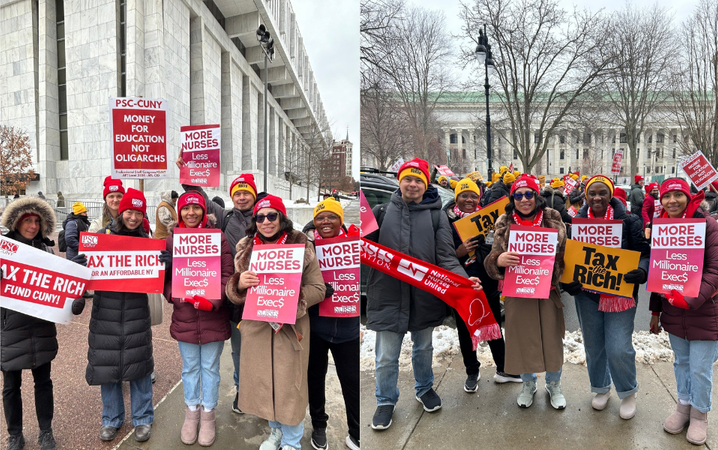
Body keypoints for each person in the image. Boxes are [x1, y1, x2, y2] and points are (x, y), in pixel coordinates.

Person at [364, 158, 481, 430]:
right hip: (388, 294)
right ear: (400, 181)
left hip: (424, 295)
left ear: (425, 183)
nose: (413, 184)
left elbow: (446, 257)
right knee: (386, 355)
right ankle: (385, 400)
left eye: (419, 180)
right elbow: (363, 250)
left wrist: (464, 281)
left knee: (423, 347)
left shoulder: (435, 215)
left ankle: (424, 388)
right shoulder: (380, 212)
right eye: (408, 179)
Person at [225, 195, 326, 450]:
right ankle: (276, 432)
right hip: (257, 330)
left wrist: (294, 299)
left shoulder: (301, 246)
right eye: (260, 217)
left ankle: (292, 441)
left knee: (289, 388)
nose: (266, 222)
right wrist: (238, 284)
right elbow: (232, 292)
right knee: (264, 384)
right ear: (254, 220)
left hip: (290, 330)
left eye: (272, 216)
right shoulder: (246, 248)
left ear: (282, 218)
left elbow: (318, 288)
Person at [561, 175, 649, 419]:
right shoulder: (576, 222)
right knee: (594, 346)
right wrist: (568, 282)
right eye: (592, 193)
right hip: (587, 296)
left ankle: (627, 391)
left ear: (610, 195)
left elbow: (644, 252)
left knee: (619, 347)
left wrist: (641, 270)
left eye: (602, 192)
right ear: (585, 196)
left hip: (620, 295)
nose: (597, 197)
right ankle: (600, 388)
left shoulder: (628, 220)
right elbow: (568, 257)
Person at [1, 197, 86, 450]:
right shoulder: (3, 250)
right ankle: (15, 434)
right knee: (10, 386)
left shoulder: (47, 251)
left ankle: (45, 431)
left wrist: (75, 297)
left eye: (37, 221)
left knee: (43, 382)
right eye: (28, 220)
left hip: (41, 328)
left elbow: (59, 291)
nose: (33, 226)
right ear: (17, 222)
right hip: (10, 328)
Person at [485, 174, 568, 410]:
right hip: (518, 292)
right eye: (518, 195)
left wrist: (554, 265)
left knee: (551, 340)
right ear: (513, 198)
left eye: (529, 194)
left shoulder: (552, 219)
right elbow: (492, 257)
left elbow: (565, 254)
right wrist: (498, 259)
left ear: (536, 196)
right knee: (523, 340)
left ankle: (554, 384)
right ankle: (528, 384)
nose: (524, 199)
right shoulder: (504, 222)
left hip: (547, 290)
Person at [86, 188, 158, 443]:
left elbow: (157, 275)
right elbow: (79, 266)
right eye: (129, 211)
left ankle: (143, 418)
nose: (133, 217)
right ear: (121, 212)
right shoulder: (102, 236)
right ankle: (111, 419)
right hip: (106, 310)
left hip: (136, 311)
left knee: (138, 365)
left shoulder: (148, 241)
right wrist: (83, 263)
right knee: (108, 367)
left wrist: (164, 262)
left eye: (138, 213)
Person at [649, 178, 718, 445]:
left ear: (689, 197)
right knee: (681, 363)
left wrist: (691, 299)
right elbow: (658, 273)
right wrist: (655, 312)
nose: (672, 201)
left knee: (701, 367)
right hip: (672, 311)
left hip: (703, 311)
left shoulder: (709, 226)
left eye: (678, 195)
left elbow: (715, 271)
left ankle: (700, 415)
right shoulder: (661, 227)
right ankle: (683, 406)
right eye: (667, 196)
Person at [162, 192, 233, 446]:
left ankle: (208, 414)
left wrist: (213, 301)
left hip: (213, 317)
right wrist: (174, 293)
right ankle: (191, 413)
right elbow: (165, 279)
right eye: (185, 208)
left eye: (196, 208)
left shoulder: (218, 238)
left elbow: (227, 273)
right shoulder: (172, 241)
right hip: (185, 317)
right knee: (190, 368)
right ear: (178, 212)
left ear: (204, 211)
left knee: (210, 369)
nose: (191, 213)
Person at [444, 178, 521, 389]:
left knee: (494, 326)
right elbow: (441, 254)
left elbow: (498, 246)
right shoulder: (446, 220)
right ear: (456, 197)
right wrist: (458, 252)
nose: (469, 199)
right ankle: (472, 371)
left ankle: (503, 368)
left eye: (473, 196)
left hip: (486, 282)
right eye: (464, 195)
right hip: (461, 284)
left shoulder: (490, 218)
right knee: (465, 330)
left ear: (479, 198)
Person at [302, 198, 361, 450]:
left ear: (341, 220)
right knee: (315, 379)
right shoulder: (306, 247)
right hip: (316, 326)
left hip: (348, 327)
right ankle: (319, 425)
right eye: (320, 217)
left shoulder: (355, 244)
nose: (325, 221)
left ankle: (356, 431)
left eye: (331, 216)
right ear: (314, 221)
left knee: (352, 381)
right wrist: (315, 291)